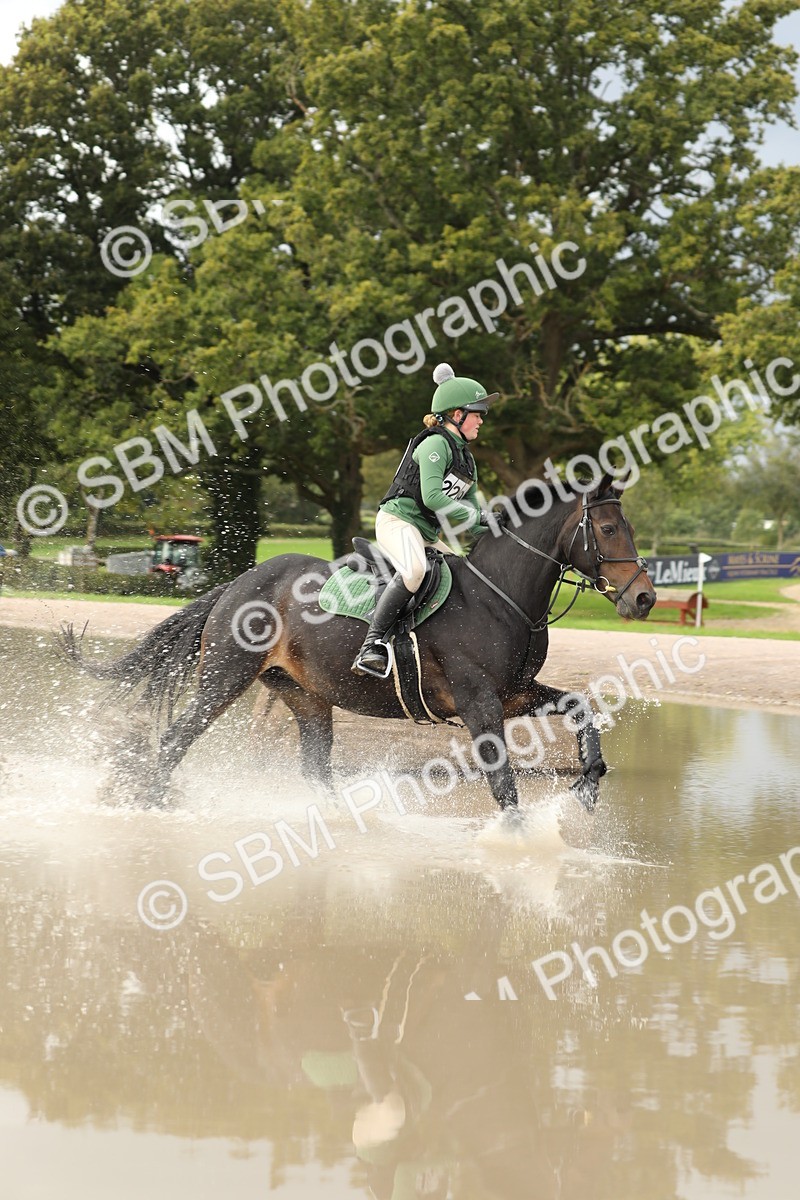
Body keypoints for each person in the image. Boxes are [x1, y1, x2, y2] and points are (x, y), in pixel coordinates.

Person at [352, 362, 499, 675]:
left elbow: (472, 523)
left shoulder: (467, 460)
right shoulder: (435, 444)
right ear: (455, 414)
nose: (481, 419)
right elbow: (433, 497)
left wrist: (505, 524)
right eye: (476, 412)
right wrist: (480, 514)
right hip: (397, 522)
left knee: (464, 575)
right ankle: (371, 645)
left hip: (426, 534)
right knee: (416, 569)